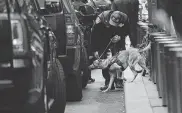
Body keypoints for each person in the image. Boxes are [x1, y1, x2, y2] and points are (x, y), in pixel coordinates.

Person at [91, 10, 130, 90]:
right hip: (103, 38)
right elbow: (94, 35)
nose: (113, 25)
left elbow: (127, 30)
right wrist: (95, 50)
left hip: (118, 38)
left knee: (120, 58)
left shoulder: (125, 18)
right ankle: (108, 82)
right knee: (104, 60)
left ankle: (119, 80)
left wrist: (120, 37)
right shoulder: (101, 19)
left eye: (116, 24)